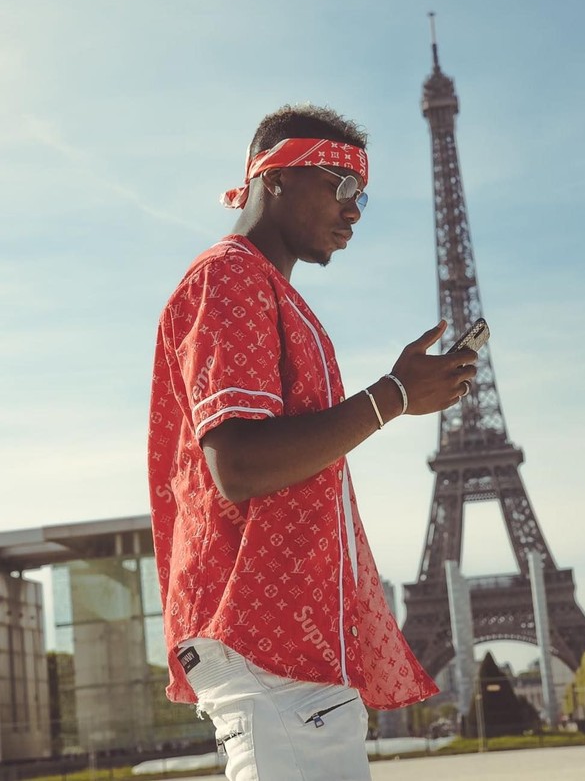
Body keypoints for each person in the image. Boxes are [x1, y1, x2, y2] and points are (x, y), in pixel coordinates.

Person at [147, 103, 477, 780]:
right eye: (342, 185)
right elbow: (236, 463)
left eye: (366, 195)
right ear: (277, 178)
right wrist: (395, 395)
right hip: (265, 640)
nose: (356, 209)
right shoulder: (229, 276)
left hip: (292, 646)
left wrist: (399, 396)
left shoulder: (271, 292)